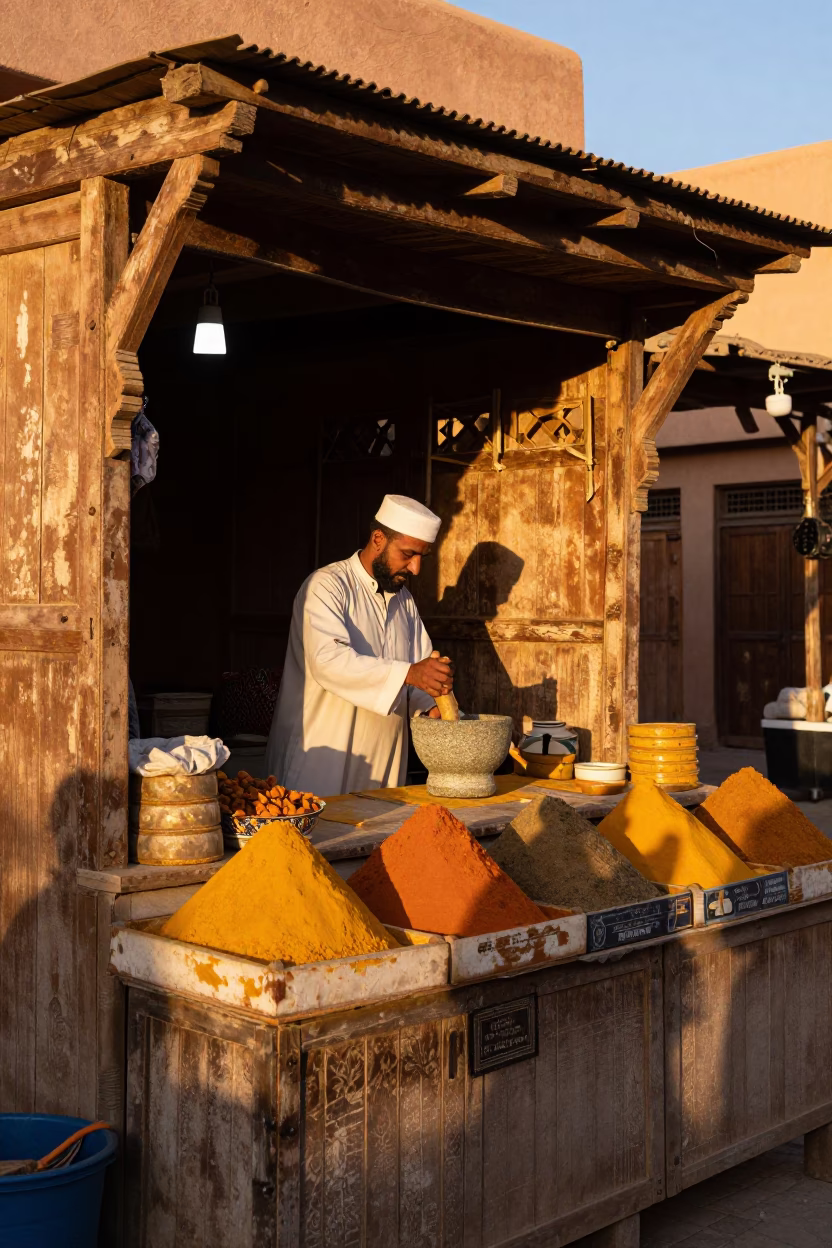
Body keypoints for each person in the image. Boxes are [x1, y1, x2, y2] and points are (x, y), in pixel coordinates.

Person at [266, 495, 454, 796]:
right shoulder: (327, 585)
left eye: (422, 557)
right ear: (378, 538)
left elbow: (419, 668)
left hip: (385, 763)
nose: (416, 568)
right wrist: (410, 674)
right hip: (322, 758)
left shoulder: (404, 602)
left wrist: (430, 705)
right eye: (408, 554)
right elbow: (327, 661)